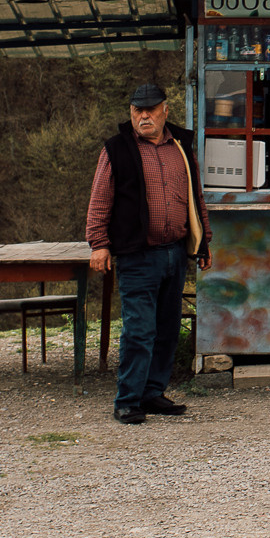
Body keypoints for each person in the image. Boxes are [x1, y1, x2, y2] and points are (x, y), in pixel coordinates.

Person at [87, 83, 211, 424]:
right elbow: (100, 199)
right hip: (137, 254)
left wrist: (204, 241)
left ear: (164, 111)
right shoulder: (116, 149)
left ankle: (153, 393)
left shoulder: (182, 146)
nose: (144, 116)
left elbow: (194, 196)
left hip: (175, 252)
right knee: (139, 330)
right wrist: (98, 243)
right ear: (130, 113)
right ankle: (127, 400)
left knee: (168, 328)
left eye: (151, 110)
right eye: (137, 110)